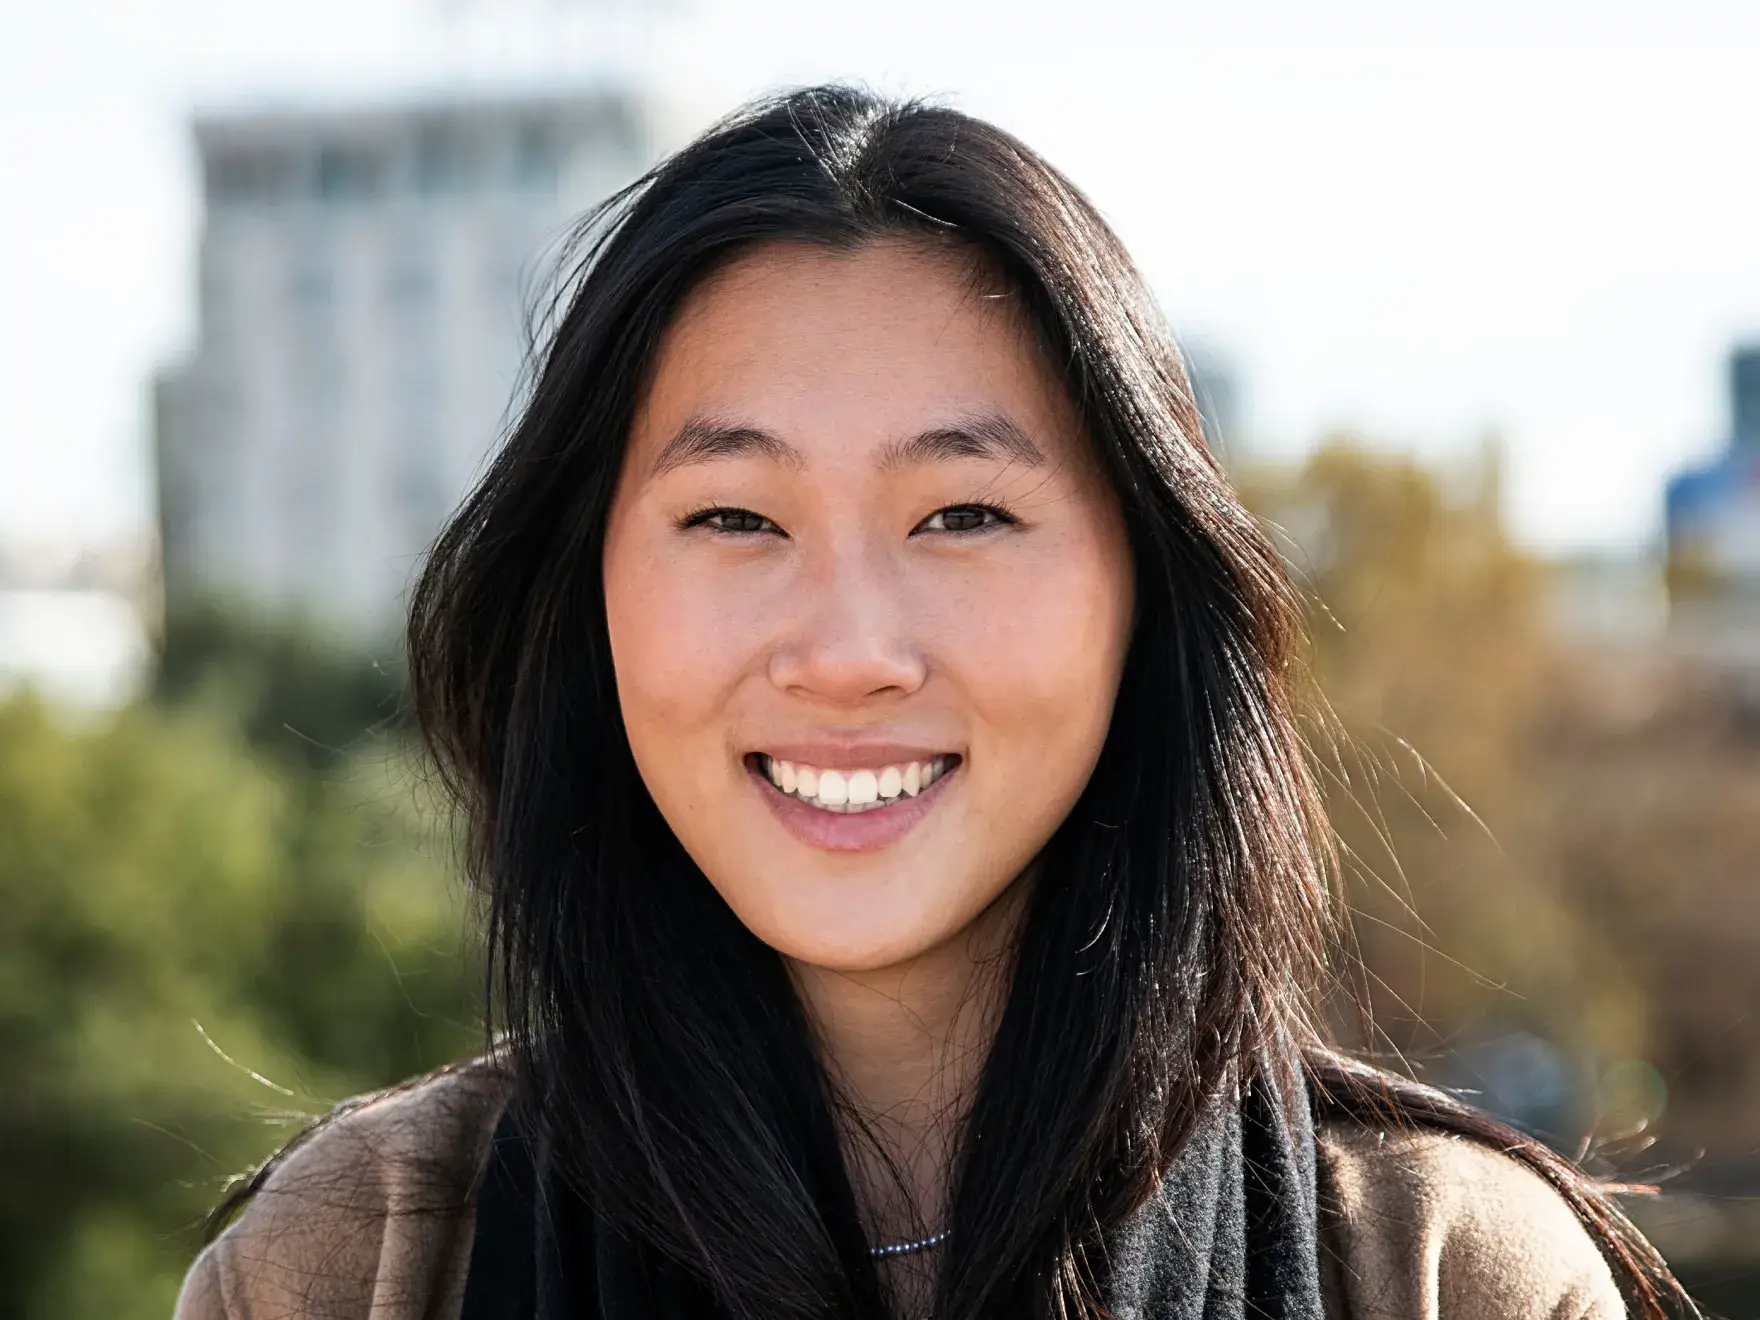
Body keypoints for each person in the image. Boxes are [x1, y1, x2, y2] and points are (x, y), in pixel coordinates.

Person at [173, 86, 1691, 1320]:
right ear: (593, 606)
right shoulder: (357, 1266)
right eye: (733, 519)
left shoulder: (1439, 1275)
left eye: (963, 516)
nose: (847, 651)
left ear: (1142, 596)